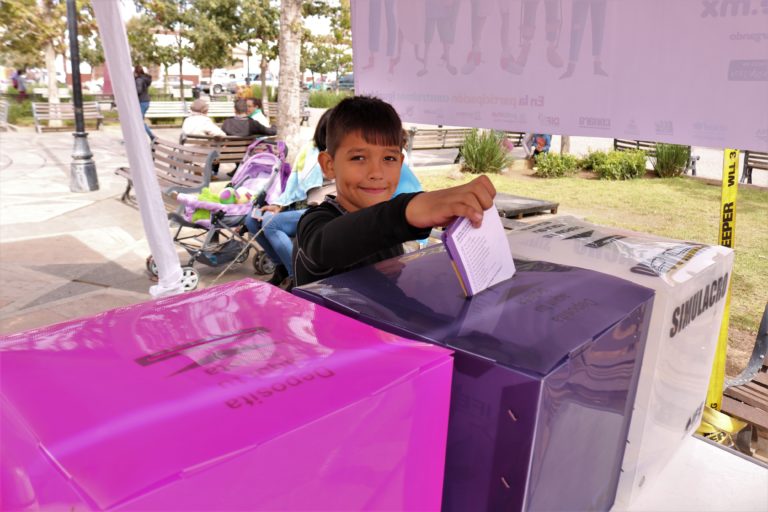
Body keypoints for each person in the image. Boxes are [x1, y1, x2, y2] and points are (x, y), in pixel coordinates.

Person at [293, 96, 495, 287]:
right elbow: (326, 247)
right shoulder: (315, 223)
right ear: (329, 165)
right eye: (358, 158)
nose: (376, 173)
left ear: (400, 163)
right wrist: (407, 210)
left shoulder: (389, 232)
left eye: (388, 158)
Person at [134, 66, 154, 139]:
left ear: (136, 72)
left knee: (139, 121)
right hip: (145, 101)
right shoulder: (144, 79)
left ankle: (152, 136)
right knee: (137, 121)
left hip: (141, 102)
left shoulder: (139, 80)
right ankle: (134, 138)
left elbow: (138, 91)